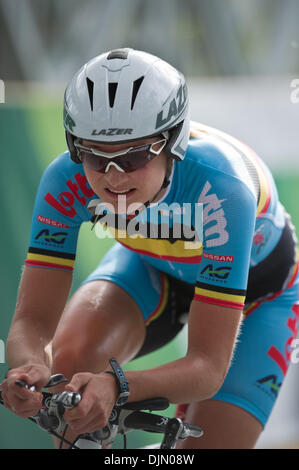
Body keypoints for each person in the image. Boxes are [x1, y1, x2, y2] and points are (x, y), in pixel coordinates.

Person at [1, 47, 298, 449]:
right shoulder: (64, 178)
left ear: (173, 141)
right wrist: (29, 369)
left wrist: (117, 386)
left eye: (135, 155)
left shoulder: (223, 190)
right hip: (154, 266)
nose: (113, 176)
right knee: (69, 371)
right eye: (93, 154)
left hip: (262, 292)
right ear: (75, 147)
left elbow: (207, 368)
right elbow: (32, 323)